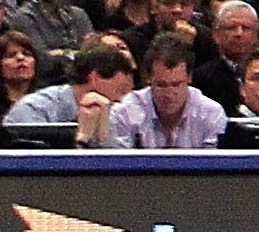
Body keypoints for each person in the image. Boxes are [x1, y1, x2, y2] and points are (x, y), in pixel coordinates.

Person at [90, 28, 229, 150]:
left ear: (189, 78)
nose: (169, 94)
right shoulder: (124, 111)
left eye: (176, 84)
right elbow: (118, 169)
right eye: (161, 85)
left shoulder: (211, 113)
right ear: (149, 79)